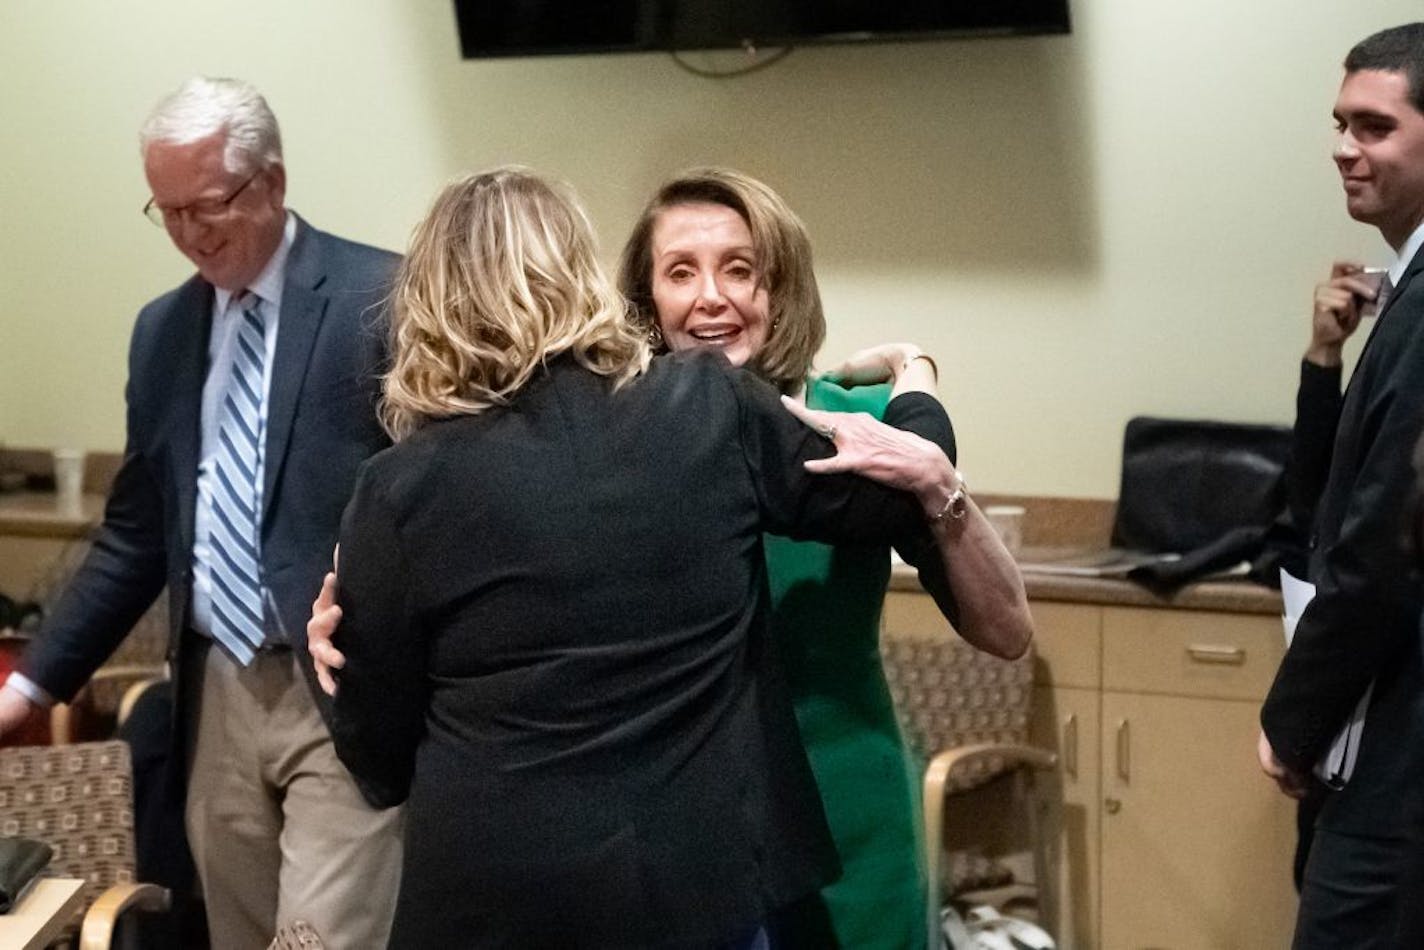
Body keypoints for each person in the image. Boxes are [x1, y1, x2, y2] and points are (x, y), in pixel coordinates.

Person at [322, 167, 971, 948]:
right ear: (581, 276)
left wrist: (339, 665)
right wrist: (915, 379)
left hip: (495, 906)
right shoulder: (704, 407)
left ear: (431, 303)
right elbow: (911, 481)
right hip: (700, 899)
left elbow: (379, 766)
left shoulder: (396, 491)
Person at [0, 77, 403, 948]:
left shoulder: (383, 301)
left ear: (272, 182)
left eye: (210, 205)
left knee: (323, 937)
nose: (189, 234)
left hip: (341, 684)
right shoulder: (162, 333)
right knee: (239, 933)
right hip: (216, 687)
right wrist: (30, 684)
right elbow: (139, 534)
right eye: (168, 211)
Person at [616, 167, 1032, 948]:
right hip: (680, 834)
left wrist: (938, 480)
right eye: (681, 272)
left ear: (783, 289)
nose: (712, 297)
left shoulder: (857, 425)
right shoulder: (616, 440)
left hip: (847, 812)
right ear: (647, 304)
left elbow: (1006, 630)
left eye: (740, 269)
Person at [1257, 23, 1424, 947]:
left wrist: (1291, 722)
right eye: (1338, 124)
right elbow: (1324, 507)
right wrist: (1326, 362)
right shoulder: (1402, 296)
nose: (1342, 149)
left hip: (1399, 757)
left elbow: (1378, 553)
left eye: (1373, 127)